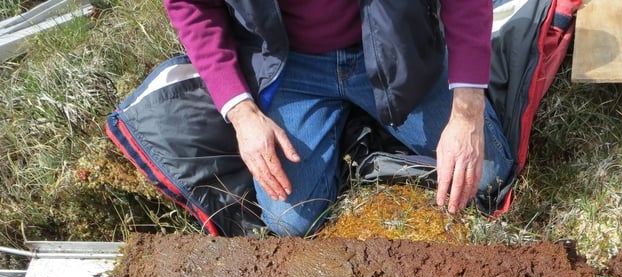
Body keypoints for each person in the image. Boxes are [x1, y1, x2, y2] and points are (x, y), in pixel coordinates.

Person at [164, 0, 515, 237]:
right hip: (288, 65)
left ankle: (365, 124)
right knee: (291, 220)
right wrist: (241, 111)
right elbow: (192, 6)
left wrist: (467, 114)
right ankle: (353, 133)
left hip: (395, 49)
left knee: (487, 177)